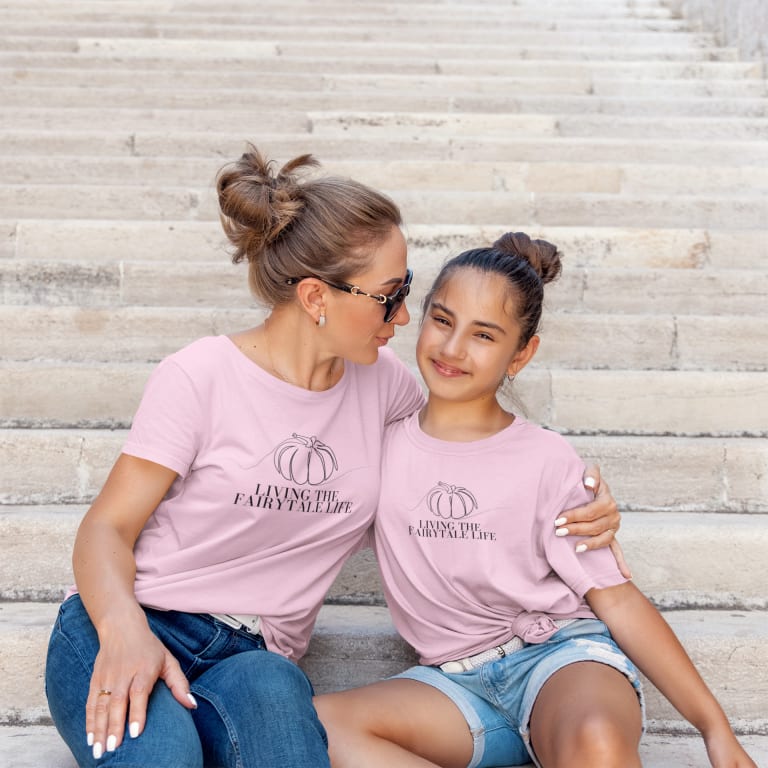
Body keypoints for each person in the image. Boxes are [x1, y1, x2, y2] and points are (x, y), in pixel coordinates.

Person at [45, 147, 622, 768]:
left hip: (256, 660)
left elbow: (469, 457)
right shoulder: (200, 376)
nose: (405, 315)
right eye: (389, 295)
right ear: (317, 296)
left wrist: (579, 500)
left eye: (406, 289)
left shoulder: (386, 387)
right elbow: (106, 527)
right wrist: (124, 631)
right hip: (136, 619)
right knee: (164, 757)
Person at [314, 233, 757, 768]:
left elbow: (616, 600)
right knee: (314, 727)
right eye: (443, 320)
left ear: (521, 354)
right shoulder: (381, 446)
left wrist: (713, 727)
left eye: (484, 334)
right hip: (453, 685)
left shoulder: (546, 458)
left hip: (560, 661)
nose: (453, 348)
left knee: (596, 738)